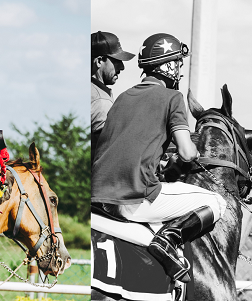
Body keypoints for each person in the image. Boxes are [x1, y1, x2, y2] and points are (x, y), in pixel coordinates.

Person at [91, 33, 227, 282]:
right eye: (176, 62)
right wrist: (195, 152)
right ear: (166, 65)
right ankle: (168, 240)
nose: (178, 69)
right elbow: (186, 153)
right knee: (217, 202)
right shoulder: (173, 98)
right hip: (134, 198)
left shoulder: (121, 97)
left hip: (97, 196)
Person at [91, 31, 134, 164]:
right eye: (116, 61)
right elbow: (109, 153)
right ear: (99, 61)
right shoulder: (101, 101)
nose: (122, 67)